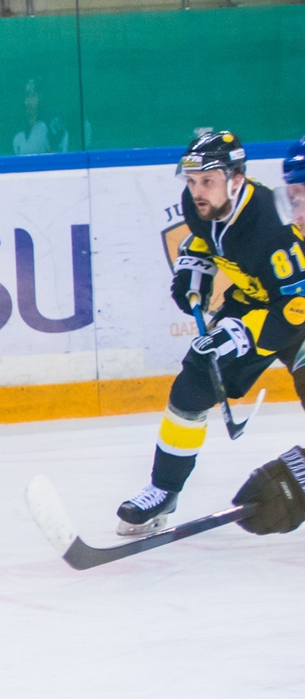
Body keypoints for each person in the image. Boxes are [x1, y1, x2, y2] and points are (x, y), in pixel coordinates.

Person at [116, 129, 305, 537]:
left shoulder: (271, 229)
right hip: (255, 301)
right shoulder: (197, 204)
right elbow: (205, 239)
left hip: (294, 314)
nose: (197, 192)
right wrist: (195, 263)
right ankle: (163, 490)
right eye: (192, 181)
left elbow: (294, 310)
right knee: (193, 385)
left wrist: (240, 334)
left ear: (235, 180)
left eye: (207, 181)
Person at [10, 78, 71, 157]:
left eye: (31, 95)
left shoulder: (51, 126)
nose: (27, 102)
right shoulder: (17, 129)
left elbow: (59, 159)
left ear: (40, 97)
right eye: (25, 96)